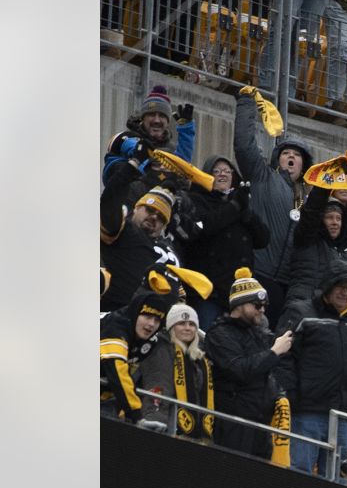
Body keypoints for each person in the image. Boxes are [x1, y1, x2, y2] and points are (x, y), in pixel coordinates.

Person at [275, 264, 347, 474]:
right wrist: (291, 395)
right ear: (327, 287)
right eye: (339, 286)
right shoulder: (301, 312)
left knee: (337, 481)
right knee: (298, 471)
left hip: (344, 418)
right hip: (307, 412)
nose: (345, 292)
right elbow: (284, 356)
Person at [233, 85, 316, 326]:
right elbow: (244, 146)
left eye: (297, 155)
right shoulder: (263, 177)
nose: (291, 157)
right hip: (258, 273)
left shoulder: (309, 198)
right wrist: (246, 103)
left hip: (288, 286)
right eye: (286, 153)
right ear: (277, 159)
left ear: (304, 165)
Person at [204, 268, 293, 458]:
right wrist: (274, 352)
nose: (262, 310)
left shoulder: (259, 334)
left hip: (260, 425)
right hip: (232, 423)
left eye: (264, 305)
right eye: (257, 305)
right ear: (239, 304)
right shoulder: (219, 333)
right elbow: (239, 370)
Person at [183, 156, 269, 328]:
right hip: (209, 293)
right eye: (216, 171)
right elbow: (204, 228)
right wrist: (234, 207)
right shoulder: (196, 199)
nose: (222, 174)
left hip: (239, 295)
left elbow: (263, 239)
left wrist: (247, 214)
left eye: (227, 171)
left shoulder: (241, 203)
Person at [100, 158, 183, 313]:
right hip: (117, 314)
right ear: (136, 209)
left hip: (156, 322)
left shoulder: (169, 248)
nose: (154, 217)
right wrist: (132, 165)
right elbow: (109, 201)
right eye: (150, 210)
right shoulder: (123, 229)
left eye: (161, 218)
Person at [100, 276, 177, 427]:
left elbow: (128, 377)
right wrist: (136, 416)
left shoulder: (150, 341)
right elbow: (117, 370)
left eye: (157, 320)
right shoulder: (115, 326)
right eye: (147, 316)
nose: (151, 324)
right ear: (135, 313)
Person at [134, 303, 215, 440]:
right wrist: (156, 420)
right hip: (166, 427)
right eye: (181, 323)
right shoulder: (161, 349)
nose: (187, 328)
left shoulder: (200, 359)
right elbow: (158, 385)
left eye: (192, 324)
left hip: (188, 432)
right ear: (171, 327)